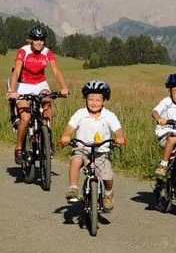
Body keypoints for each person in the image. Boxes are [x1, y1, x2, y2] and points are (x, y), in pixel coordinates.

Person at [58, 80, 126, 209]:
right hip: (82, 149)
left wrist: (119, 137)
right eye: (91, 99)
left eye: (98, 100)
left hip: (101, 152)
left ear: (104, 100)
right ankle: (73, 188)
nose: (94, 103)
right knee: (75, 160)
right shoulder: (80, 113)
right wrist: (66, 135)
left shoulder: (109, 115)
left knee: (107, 176)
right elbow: (70, 127)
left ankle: (108, 194)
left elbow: (117, 129)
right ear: (85, 99)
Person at [7, 25, 69, 165]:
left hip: (40, 84)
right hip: (23, 85)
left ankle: (47, 138)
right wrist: (12, 91)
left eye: (41, 39)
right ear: (31, 40)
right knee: (26, 117)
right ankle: (18, 148)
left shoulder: (48, 53)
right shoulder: (23, 51)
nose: (39, 42)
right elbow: (16, 72)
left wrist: (64, 87)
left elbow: (56, 71)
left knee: (47, 106)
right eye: (36, 39)